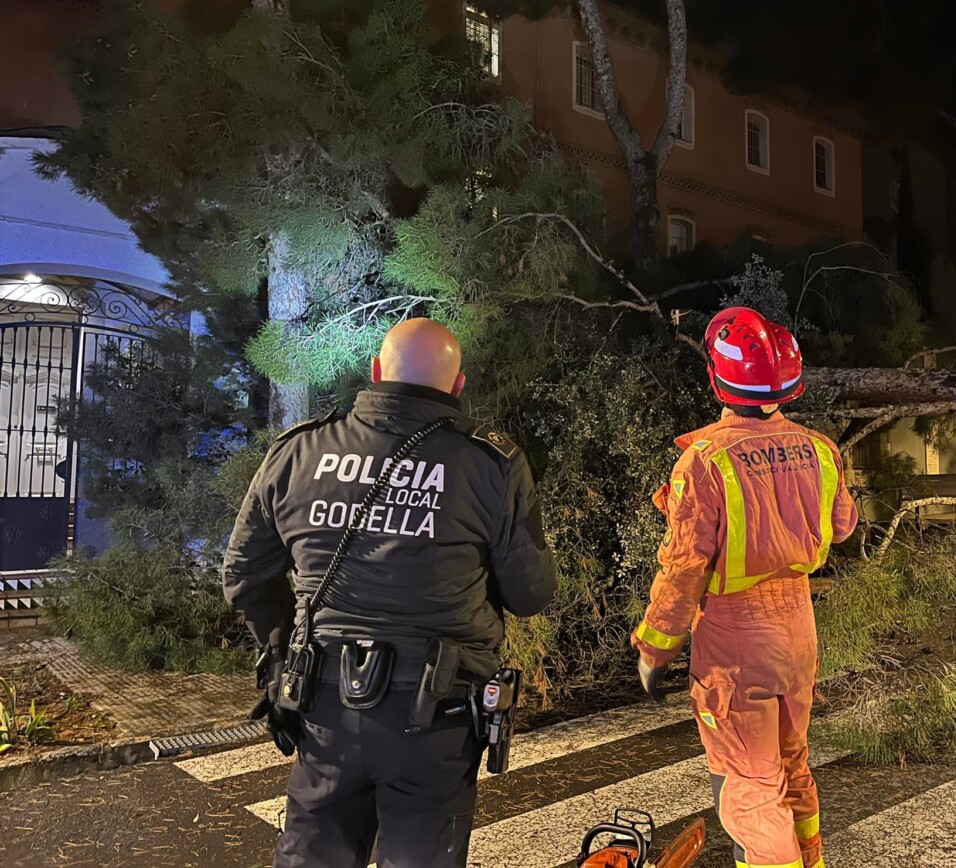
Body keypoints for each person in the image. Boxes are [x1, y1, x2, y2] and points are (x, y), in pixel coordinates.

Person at [223, 317, 557, 868]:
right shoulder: (490, 465)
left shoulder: (300, 450)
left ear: (376, 372)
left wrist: (283, 646)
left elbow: (243, 575)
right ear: (457, 386)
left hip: (322, 703)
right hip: (434, 718)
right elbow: (530, 594)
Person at [631, 307, 858, 868]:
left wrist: (655, 646)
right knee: (792, 764)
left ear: (717, 377)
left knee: (752, 789)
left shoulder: (704, 462)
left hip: (735, 640)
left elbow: (685, 567)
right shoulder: (820, 448)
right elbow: (845, 523)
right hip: (797, 630)